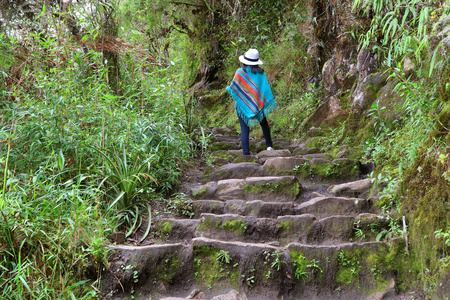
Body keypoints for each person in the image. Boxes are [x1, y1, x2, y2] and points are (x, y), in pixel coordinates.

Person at [226, 48, 276, 155]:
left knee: (244, 128)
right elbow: (264, 90)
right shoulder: (261, 73)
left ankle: (246, 153)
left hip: (241, 105)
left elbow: (234, 88)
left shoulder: (239, 72)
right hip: (258, 105)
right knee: (264, 124)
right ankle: (269, 146)